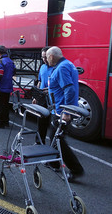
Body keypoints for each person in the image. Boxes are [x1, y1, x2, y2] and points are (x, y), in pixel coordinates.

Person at [46, 46, 84, 182]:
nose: (46, 60)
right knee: (53, 136)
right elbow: (62, 87)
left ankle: (76, 170)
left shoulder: (62, 68)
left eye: (47, 57)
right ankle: (54, 162)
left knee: (59, 140)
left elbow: (69, 89)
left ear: (51, 57)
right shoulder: (68, 64)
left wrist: (66, 112)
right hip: (60, 109)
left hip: (63, 111)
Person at [0, 45, 15, 128]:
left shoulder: (0, 62)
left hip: (1, 87)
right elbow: (14, 72)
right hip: (8, 86)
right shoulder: (10, 61)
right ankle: (6, 121)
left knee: (0, 105)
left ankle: (1, 122)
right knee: (6, 104)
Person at [32, 46, 52, 144]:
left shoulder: (57, 68)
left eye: (46, 57)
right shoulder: (43, 67)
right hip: (42, 98)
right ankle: (39, 141)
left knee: (52, 124)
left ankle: (55, 147)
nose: (44, 60)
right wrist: (36, 96)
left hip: (53, 99)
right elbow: (40, 81)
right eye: (42, 57)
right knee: (41, 121)